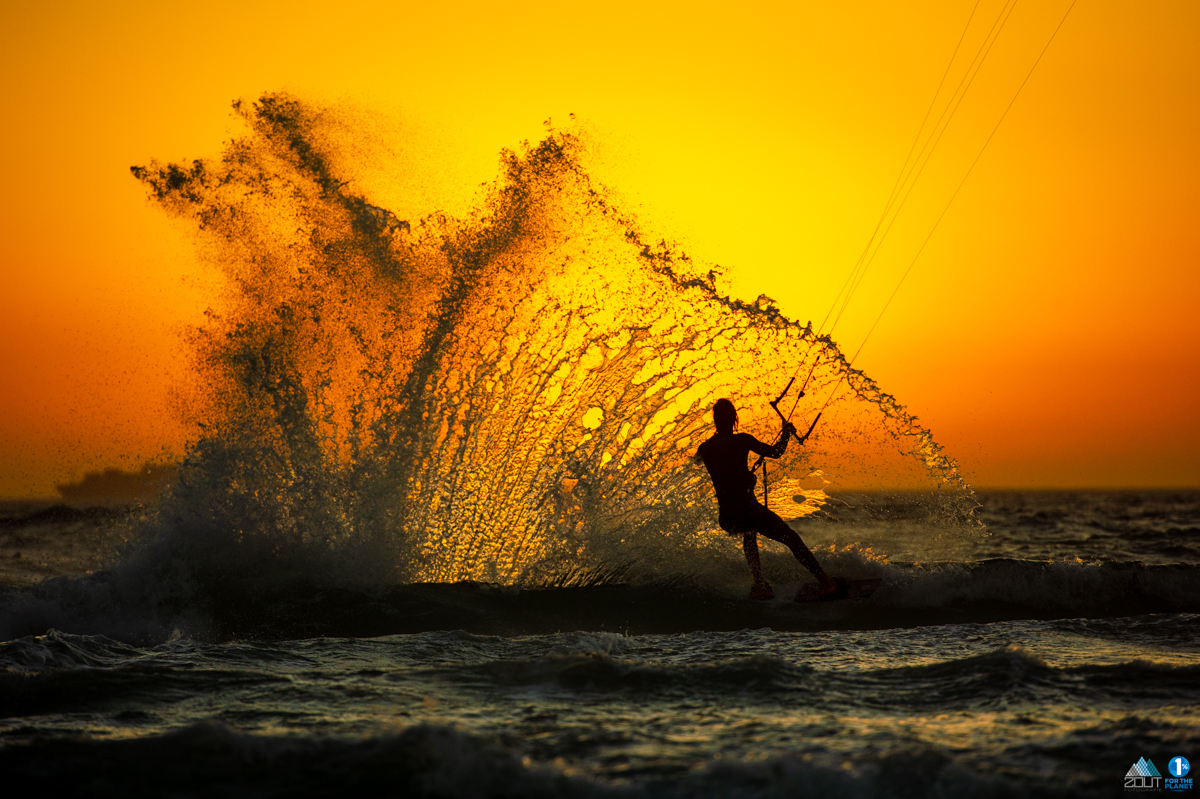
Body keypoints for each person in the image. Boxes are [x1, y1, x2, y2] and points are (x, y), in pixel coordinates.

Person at [694, 398, 841, 600]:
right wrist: (786, 434)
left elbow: (699, 463)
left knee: (749, 534)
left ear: (715, 421)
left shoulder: (705, 448)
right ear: (734, 419)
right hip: (748, 510)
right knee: (791, 539)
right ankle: (827, 583)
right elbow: (776, 452)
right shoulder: (742, 440)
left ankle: (760, 584)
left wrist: (740, 477)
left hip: (728, 517)